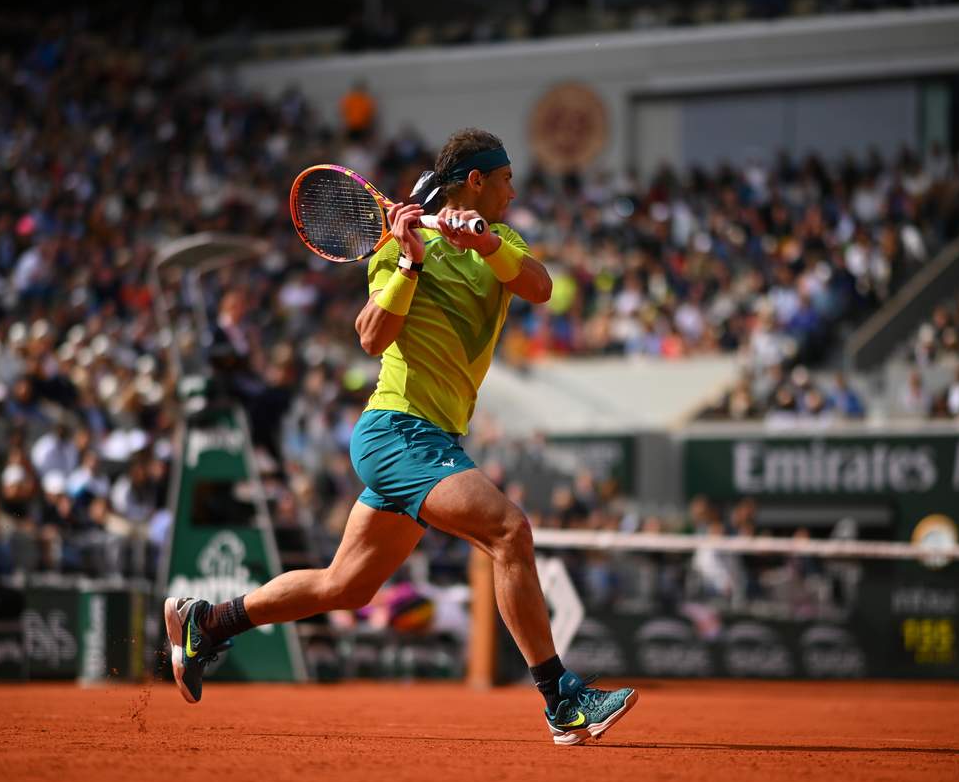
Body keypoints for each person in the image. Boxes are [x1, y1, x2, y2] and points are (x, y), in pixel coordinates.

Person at [164, 129, 637, 745]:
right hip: (397, 431)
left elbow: (540, 287)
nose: (514, 191)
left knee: (346, 585)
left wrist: (485, 241)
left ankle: (209, 623)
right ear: (477, 180)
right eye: (506, 179)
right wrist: (411, 257)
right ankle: (562, 700)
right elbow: (370, 337)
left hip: (433, 437)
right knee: (508, 530)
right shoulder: (394, 244)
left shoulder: (503, 241)